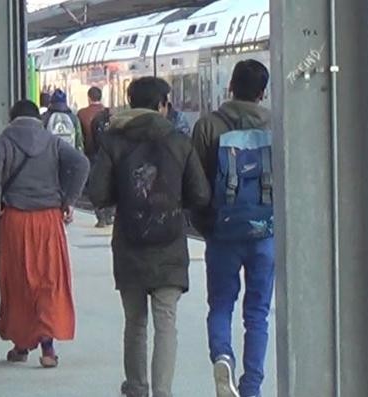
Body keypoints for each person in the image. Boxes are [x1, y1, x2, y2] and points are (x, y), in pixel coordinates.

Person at [87, 77, 210, 397]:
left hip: (129, 243)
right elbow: (200, 194)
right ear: (162, 105)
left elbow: (98, 193)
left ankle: (137, 388)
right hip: (169, 245)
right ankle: (163, 392)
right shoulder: (179, 141)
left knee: (136, 323)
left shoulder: (114, 140)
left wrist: (125, 196)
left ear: (130, 103)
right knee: (166, 322)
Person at [0, 100, 89, 368]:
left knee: (18, 281)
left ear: (12, 118)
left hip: (15, 220)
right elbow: (82, 164)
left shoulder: (4, 141)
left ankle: (21, 345)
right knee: (47, 281)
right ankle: (48, 348)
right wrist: (69, 200)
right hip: (49, 219)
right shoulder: (52, 142)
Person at [191, 60, 274, 397]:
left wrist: (206, 224)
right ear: (262, 92)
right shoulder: (276, 124)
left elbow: (195, 185)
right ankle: (251, 387)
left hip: (223, 233)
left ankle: (222, 355)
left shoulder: (208, 126)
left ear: (230, 87)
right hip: (265, 233)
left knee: (221, 304)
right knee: (257, 313)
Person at [76, 86, 114, 228]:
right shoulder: (109, 113)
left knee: (95, 185)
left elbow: (80, 137)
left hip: (91, 154)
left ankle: (101, 217)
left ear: (89, 97)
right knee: (109, 183)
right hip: (109, 153)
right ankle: (109, 214)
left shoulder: (82, 114)